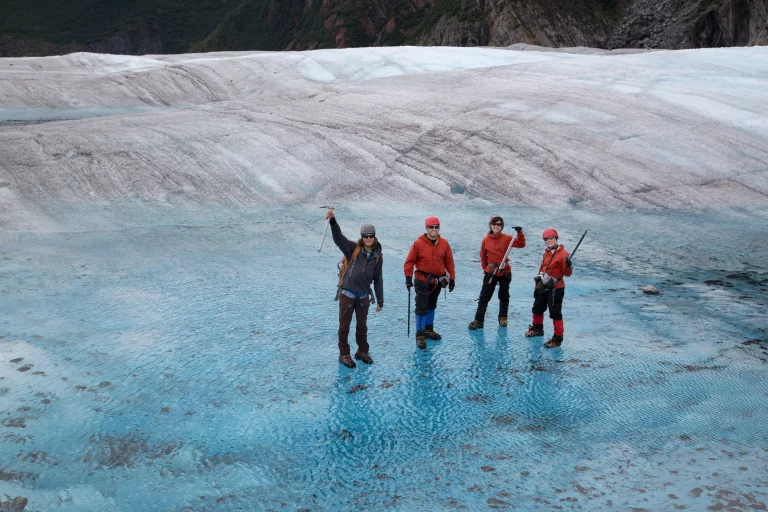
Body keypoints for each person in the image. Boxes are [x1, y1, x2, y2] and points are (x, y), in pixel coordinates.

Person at [327, 209, 383, 368]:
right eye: (366, 236)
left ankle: (362, 351)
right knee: (344, 325)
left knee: (362, 325)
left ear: (374, 236)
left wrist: (380, 300)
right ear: (362, 237)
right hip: (348, 293)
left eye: (371, 236)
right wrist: (333, 221)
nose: (369, 239)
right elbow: (339, 238)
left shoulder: (378, 256)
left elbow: (378, 279)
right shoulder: (353, 248)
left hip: (364, 295)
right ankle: (344, 354)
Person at [404, 216, 455, 350]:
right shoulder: (418, 244)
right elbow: (409, 261)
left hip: (437, 281)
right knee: (421, 307)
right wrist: (408, 278)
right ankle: (420, 334)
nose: (434, 229)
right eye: (431, 227)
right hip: (422, 280)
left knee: (432, 305)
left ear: (439, 228)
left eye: (436, 227)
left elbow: (449, 261)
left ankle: (428, 329)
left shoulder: (444, 243)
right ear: (426, 228)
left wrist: (452, 278)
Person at [468, 216, 525, 330]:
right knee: (484, 297)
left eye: (498, 224)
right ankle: (478, 320)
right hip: (491, 272)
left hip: (504, 272)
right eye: (494, 224)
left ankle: (502, 318)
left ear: (501, 226)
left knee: (504, 296)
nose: (496, 226)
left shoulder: (507, 238)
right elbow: (483, 256)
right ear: (490, 225)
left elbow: (521, 244)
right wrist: (486, 268)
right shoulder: (485, 240)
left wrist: (520, 233)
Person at [525, 228, 573, 348]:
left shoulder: (563, 255)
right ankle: (537, 328)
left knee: (555, 313)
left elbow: (567, 274)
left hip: (556, 288)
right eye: (546, 239)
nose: (548, 241)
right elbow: (542, 269)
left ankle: (557, 338)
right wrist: (537, 286)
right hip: (543, 285)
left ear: (556, 238)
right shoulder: (546, 253)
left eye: (550, 238)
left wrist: (568, 266)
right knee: (537, 308)